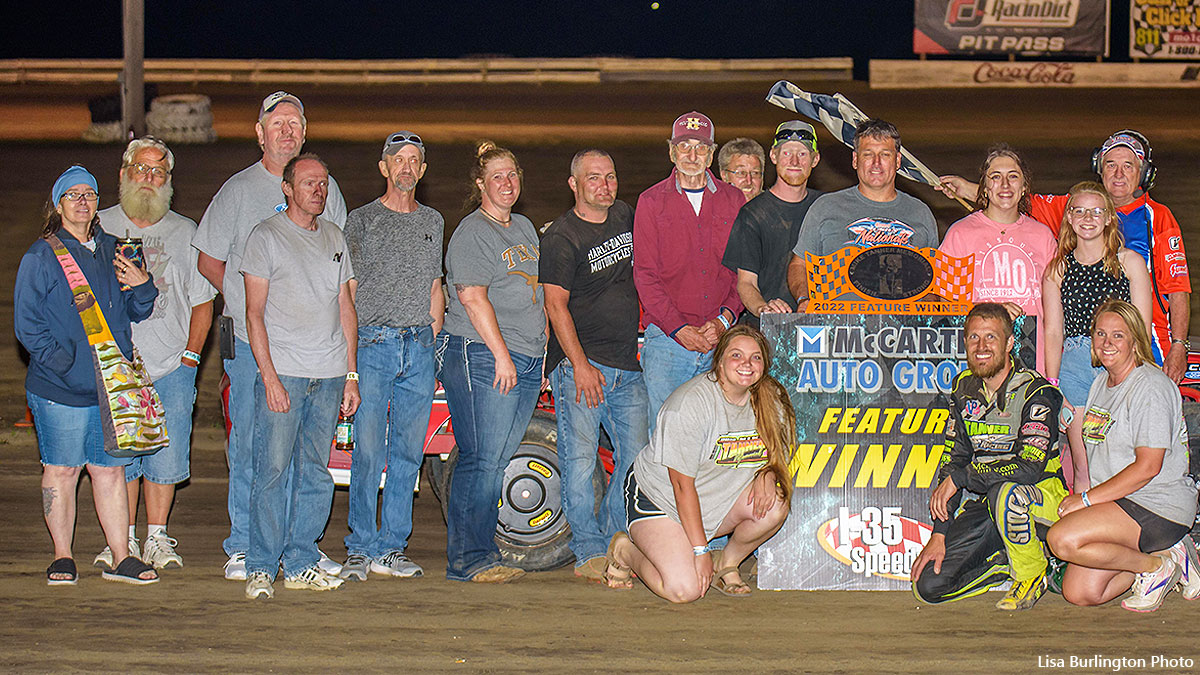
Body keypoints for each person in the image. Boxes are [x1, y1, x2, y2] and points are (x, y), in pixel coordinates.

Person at [192, 91, 347, 580]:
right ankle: (244, 544)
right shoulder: (238, 191)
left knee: (306, 452)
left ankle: (298, 546)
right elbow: (209, 258)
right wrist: (244, 302)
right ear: (259, 133)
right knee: (252, 446)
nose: (286, 131)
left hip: (312, 350)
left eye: (295, 124)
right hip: (251, 344)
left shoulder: (325, 186)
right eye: (277, 124)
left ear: (305, 133)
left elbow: (336, 258)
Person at [940, 131, 1190, 382]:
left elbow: (1178, 288)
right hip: (1077, 354)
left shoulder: (1158, 217)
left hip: (1148, 344)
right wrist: (969, 189)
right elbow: (1014, 199)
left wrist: (1179, 345)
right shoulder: (1072, 206)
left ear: (1144, 173)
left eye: (1128, 166)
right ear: (1099, 169)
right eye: (1111, 165)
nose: (1118, 174)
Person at [16, 166, 159, 585]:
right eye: (72, 194)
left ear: (98, 203)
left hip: (109, 389)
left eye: (90, 194)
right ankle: (63, 556)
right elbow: (27, 326)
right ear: (58, 204)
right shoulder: (41, 256)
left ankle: (121, 557)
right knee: (61, 470)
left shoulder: (117, 248)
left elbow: (137, 311)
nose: (82, 201)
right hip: (59, 389)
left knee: (109, 471)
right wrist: (64, 364)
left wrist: (144, 284)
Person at [602, 325, 793, 603]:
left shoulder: (771, 398)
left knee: (775, 504)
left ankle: (727, 563)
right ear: (719, 360)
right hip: (662, 499)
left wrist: (768, 472)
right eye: (736, 355)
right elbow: (681, 486)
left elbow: (780, 452)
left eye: (756, 358)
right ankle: (624, 551)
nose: (746, 365)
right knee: (684, 590)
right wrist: (701, 550)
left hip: (714, 497)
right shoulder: (690, 404)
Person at [93, 137, 214, 571]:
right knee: (122, 454)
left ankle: (157, 537)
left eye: (158, 172)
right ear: (124, 175)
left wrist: (191, 360)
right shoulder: (97, 227)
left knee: (165, 454)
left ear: (169, 182)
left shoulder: (186, 232)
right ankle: (120, 537)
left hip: (170, 364)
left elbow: (203, 302)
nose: (149, 179)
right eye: (141, 170)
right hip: (114, 365)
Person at [241, 154, 359, 600]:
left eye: (324, 183)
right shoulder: (266, 237)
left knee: (315, 471)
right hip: (285, 374)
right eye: (309, 183)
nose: (318, 190)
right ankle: (260, 565)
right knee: (272, 470)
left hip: (328, 375)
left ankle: (301, 559)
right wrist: (268, 377)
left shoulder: (334, 237)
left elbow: (346, 307)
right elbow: (254, 314)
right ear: (287, 189)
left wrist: (351, 374)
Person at [911, 303, 1067, 611]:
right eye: (973, 338)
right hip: (992, 507)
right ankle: (1003, 566)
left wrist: (963, 477)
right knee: (928, 586)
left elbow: (1028, 469)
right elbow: (954, 459)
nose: (981, 347)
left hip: (1043, 502)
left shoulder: (1038, 393)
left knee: (1006, 492)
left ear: (1009, 343)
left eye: (991, 338)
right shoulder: (963, 387)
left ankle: (1032, 572)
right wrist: (939, 534)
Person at [437, 141, 545, 584]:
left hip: (525, 354)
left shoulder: (522, 226)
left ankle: (482, 547)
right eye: (497, 176)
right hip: (481, 354)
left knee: (497, 458)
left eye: (512, 175)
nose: (507, 183)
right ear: (480, 184)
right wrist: (502, 356)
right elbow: (471, 297)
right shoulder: (471, 232)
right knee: (481, 459)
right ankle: (467, 560)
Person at [1048, 299, 1200, 613]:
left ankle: (1153, 567)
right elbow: (1092, 458)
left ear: (1134, 340)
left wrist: (1087, 501)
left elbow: (1148, 467)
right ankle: (1168, 558)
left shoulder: (1150, 387)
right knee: (1079, 592)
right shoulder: (1101, 383)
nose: (1107, 343)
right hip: (1118, 505)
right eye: (1100, 334)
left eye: (1118, 335)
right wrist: (1084, 501)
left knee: (1062, 540)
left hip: (1156, 504)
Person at [339, 131, 444, 582]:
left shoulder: (434, 221)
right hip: (374, 346)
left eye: (414, 160)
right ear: (384, 168)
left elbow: (435, 284)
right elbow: (348, 291)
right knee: (368, 452)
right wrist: (351, 363)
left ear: (422, 170)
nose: (406, 167)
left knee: (407, 454)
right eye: (397, 159)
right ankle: (360, 546)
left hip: (418, 347)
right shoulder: (361, 222)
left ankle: (392, 547)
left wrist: (432, 334)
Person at [540, 149, 649, 582]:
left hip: (628, 366)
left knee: (637, 459)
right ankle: (586, 549)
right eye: (593, 178)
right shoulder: (561, 238)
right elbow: (555, 304)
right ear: (574, 184)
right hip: (582, 368)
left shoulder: (625, 215)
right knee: (581, 460)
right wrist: (579, 365)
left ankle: (615, 537)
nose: (604, 186)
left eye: (610, 176)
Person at [633, 111, 743, 429]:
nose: (692, 155)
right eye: (684, 146)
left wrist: (724, 320)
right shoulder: (651, 202)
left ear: (711, 153)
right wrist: (678, 328)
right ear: (672, 151)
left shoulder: (733, 200)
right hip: (668, 343)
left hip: (721, 340)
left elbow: (742, 271)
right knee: (667, 436)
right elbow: (645, 275)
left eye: (700, 147)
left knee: (719, 435)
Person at [1042, 182, 1151, 490]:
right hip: (1075, 367)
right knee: (1083, 463)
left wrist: (1139, 375)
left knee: (1124, 456)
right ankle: (1081, 534)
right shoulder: (1057, 270)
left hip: (1120, 365)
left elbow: (1140, 325)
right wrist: (1054, 387)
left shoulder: (1129, 263)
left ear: (1108, 218)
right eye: (1079, 210)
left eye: (1096, 211)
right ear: (1069, 218)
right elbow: (1053, 331)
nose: (1087, 217)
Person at [787, 119, 937, 306]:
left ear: (897, 161)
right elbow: (799, 264)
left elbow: (933, 281)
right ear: (855, 160)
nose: (876, 163)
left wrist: (930, 312)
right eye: (868, 155)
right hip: (841, 328)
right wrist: (804, 299)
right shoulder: (826, 207)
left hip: (902, 330)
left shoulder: (920, 212)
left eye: (885, 154)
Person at [937, 144, 1055, 372]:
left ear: (1023, 187)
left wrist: (1052, 376)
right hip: (977, 361)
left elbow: (1054, 315)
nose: (1004, 185)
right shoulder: (960, 233)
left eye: (1013, 177)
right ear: (985, 187)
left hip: (1032, 362)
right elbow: (945, 303)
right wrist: (992, 312)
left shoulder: (1043, 236)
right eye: (995, 177)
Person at [722, 121, 823, 324]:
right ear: (774, 156)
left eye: (803, 154)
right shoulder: (751, 214)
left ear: (815, 159)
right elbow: (746, 282)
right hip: (767, 331)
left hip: (818, 327)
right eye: (786, 153)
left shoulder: (826, 208)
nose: (794, 161)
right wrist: (763, 308)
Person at [717, 137, 766, 202]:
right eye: (741, 173)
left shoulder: (774, 209)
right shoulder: (711, 208)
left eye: (755, 173)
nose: (749, 181)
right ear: (724, 176)